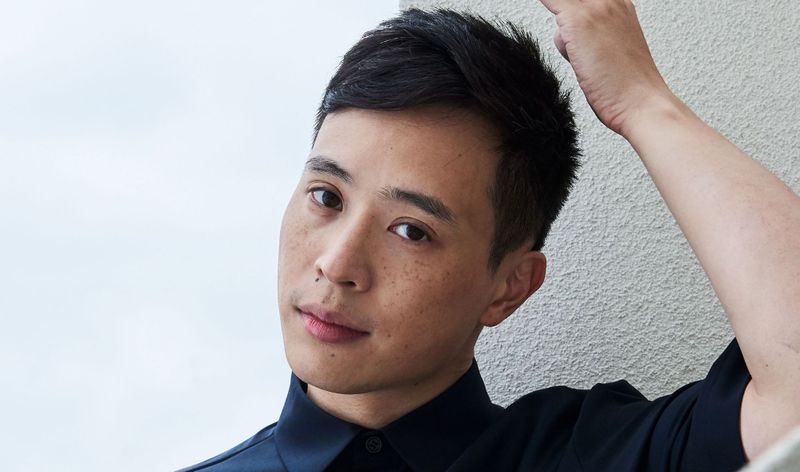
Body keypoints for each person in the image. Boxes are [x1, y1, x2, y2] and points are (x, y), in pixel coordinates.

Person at [180, 1, 800, 470]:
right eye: (327, 197)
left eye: (411, 230)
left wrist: (641, 100)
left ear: (509, 288)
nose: (337, 264)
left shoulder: (589, 455)